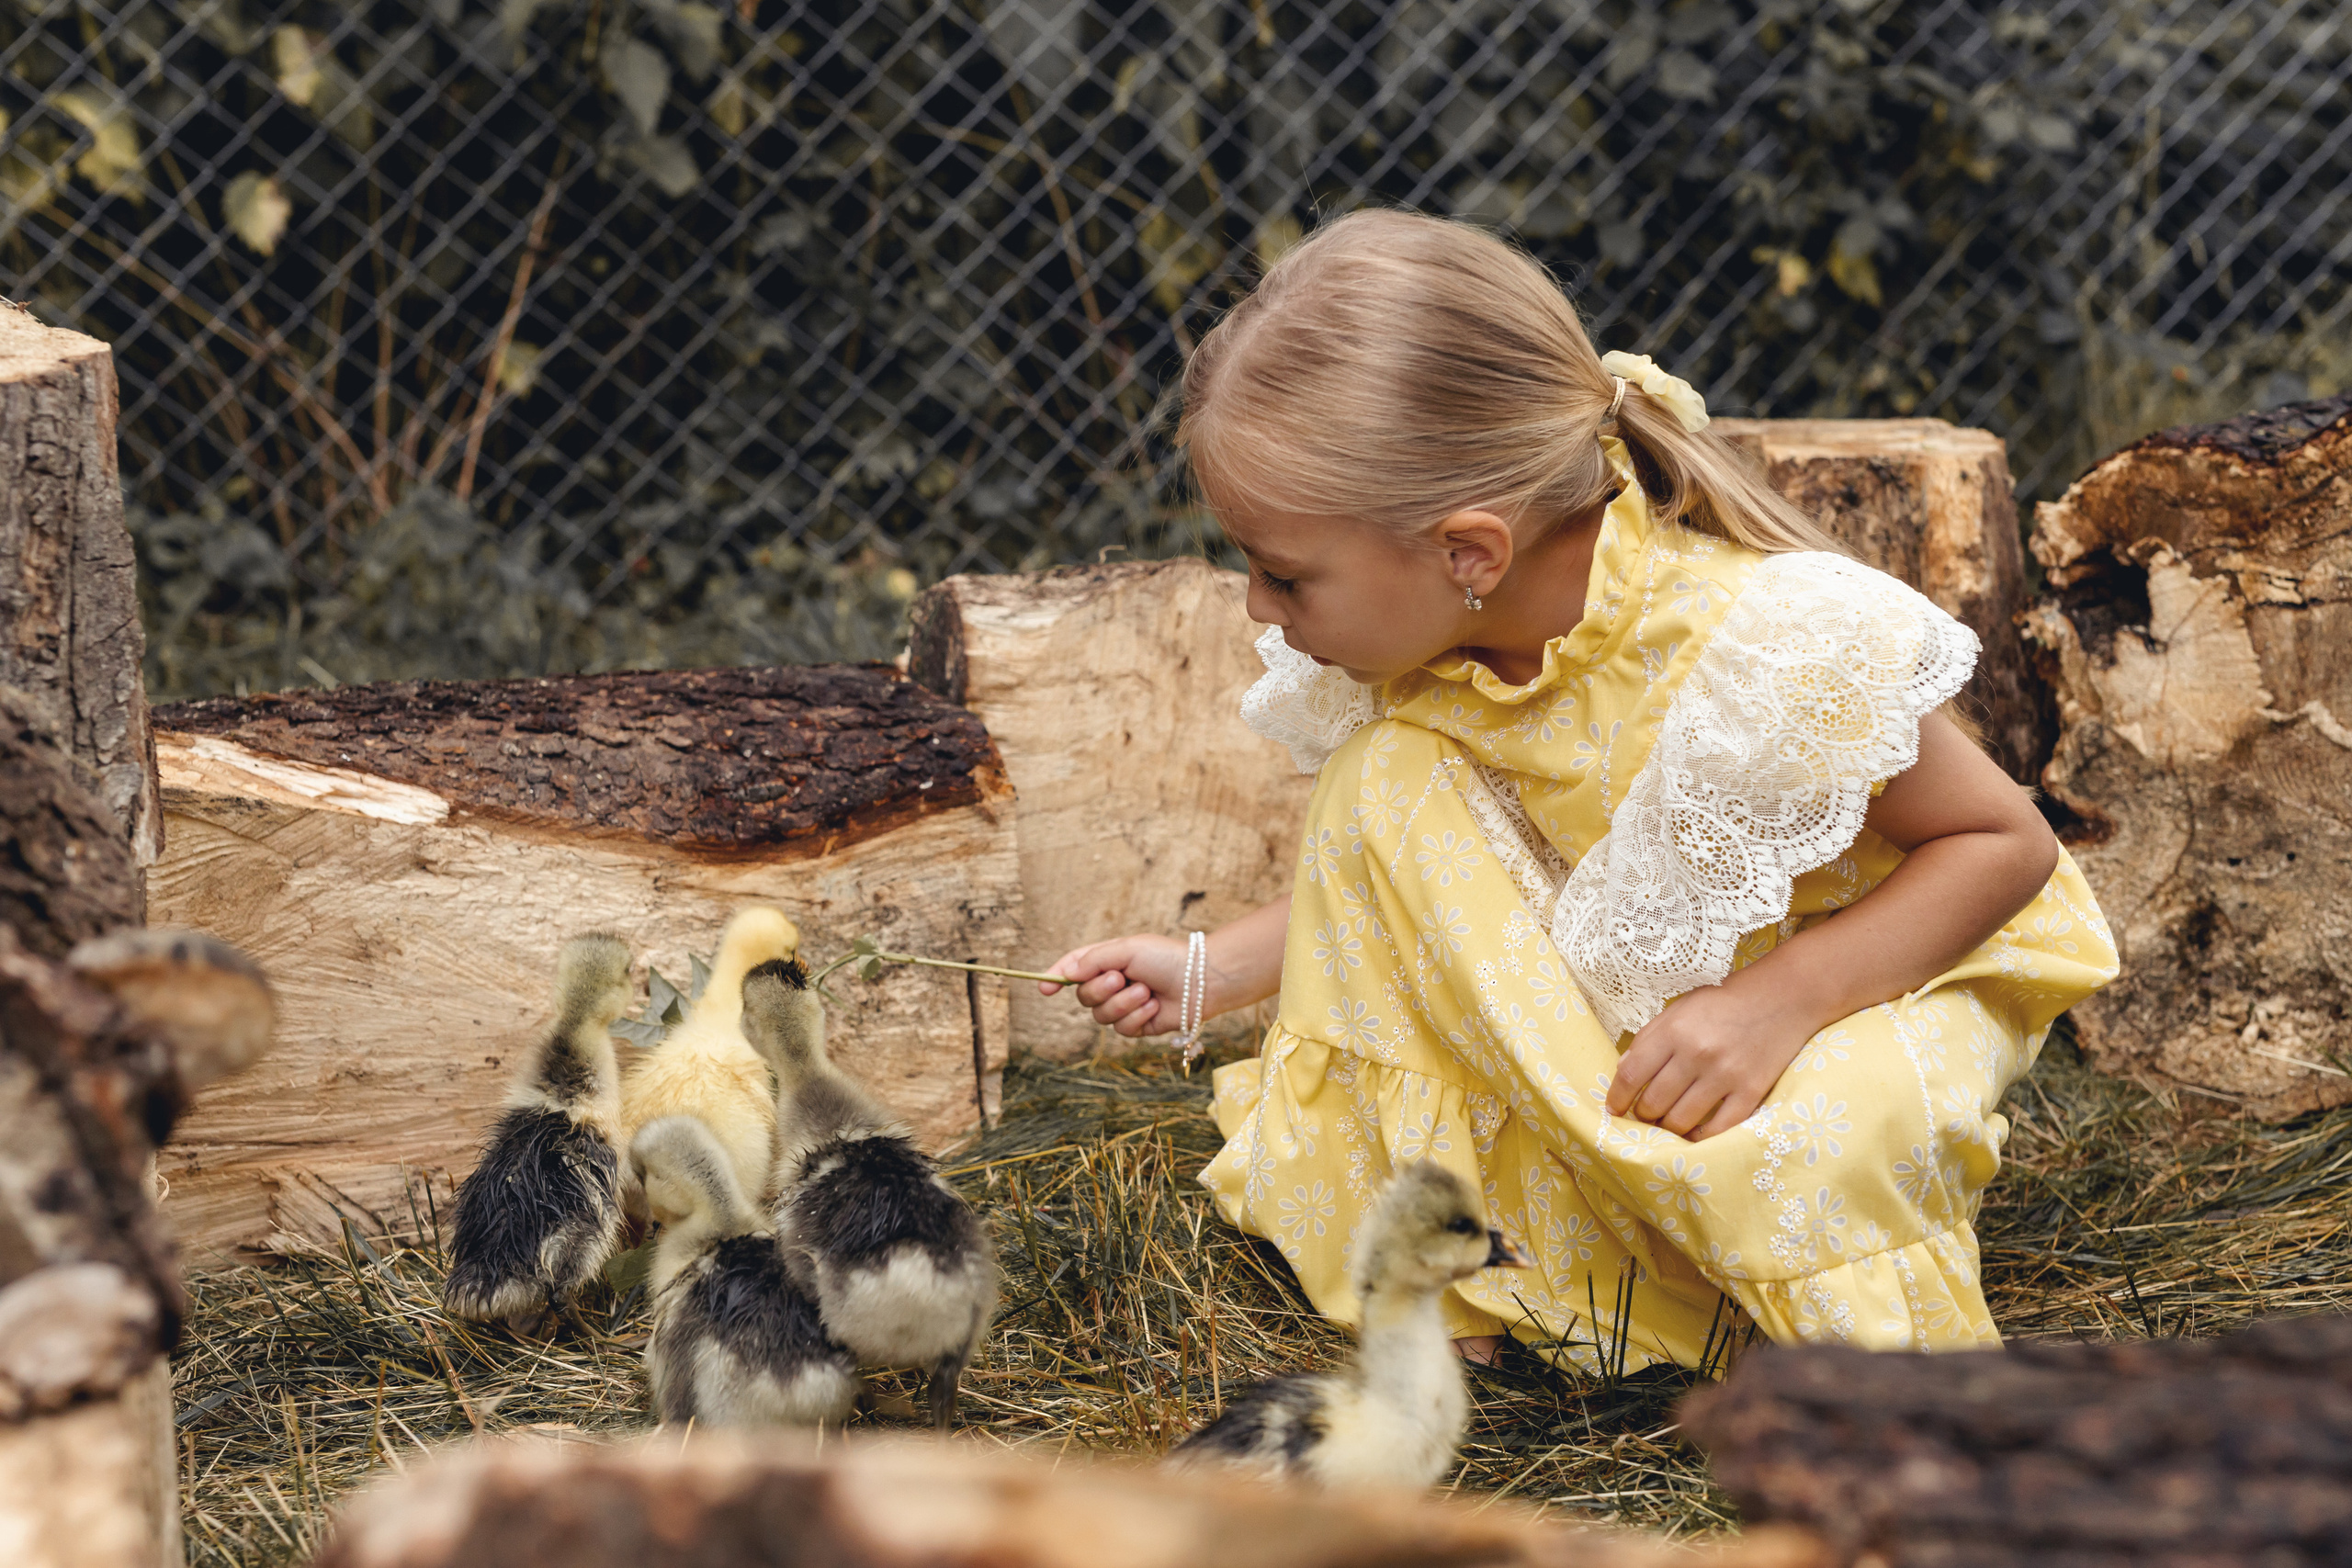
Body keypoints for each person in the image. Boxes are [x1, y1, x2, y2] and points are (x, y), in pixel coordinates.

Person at [1043, 209, 2117, 1371]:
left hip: (1864, 977)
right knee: (1383, 778)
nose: (1259, 609)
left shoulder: (1752, 646)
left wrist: (1778, 1005)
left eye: (1282, 573)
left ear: (1468, 553)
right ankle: (1546, 1257)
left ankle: (1826, 1345)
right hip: (1651, 1001)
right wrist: (1211, 971)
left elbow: (2004, 846)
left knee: (1817, 1144)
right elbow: (1411, 892)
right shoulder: (1440, 659)